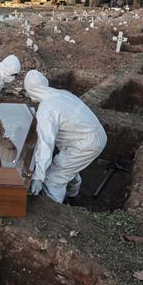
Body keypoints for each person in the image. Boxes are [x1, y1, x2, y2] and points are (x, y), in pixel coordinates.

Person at [24, 70, 107, 203]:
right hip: (95, 136)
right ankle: (73, 195)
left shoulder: (47, 109)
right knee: (67, 168)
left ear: (30, 90)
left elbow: (46, 144)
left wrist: (38, 176)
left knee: (53, 178)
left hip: (85, 144)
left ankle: (54, 210)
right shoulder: (61, 94)